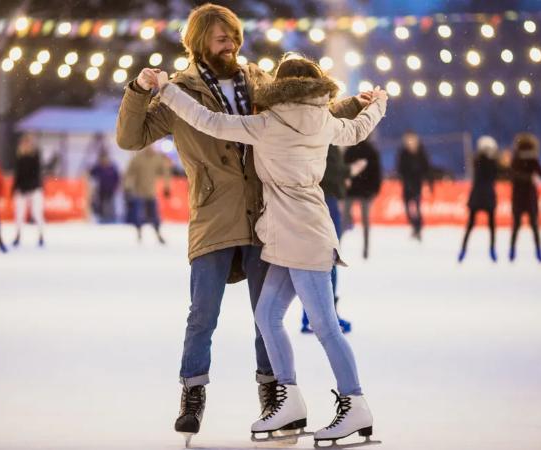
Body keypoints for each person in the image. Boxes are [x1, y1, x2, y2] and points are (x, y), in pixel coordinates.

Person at [115, 4, 369, 443]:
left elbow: (305, 112)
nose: (231, 44)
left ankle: (275, 396)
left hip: (263, 218)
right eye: (221, 38)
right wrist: (139, 90)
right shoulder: (180, 91)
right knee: (202, 316)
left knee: (264, 316)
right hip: (213, 215)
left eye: (234, 36)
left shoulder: (259, 82)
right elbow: (130, 138)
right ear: (198, 43)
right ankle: (193, 394)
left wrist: (350, 105)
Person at [301, 145, 357, 334]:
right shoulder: (327, 138)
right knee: (327, 258)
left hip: (320, 200)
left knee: (320, 259)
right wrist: (349, 171)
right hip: (324, 201)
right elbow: (328, 172)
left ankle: (316, 315)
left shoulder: (323, 136)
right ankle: (322, 316)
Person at [459, 136, 499, 262]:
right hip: (483, 196)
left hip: (480, 196)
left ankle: (490, 249)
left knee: (484, 225)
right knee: (480, 225)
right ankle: (465, 249)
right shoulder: (483, 161)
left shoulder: (480, 160)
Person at [123, 145, 172, 244]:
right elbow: (129, 173)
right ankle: (139, 233)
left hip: (151, 192)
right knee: (139, 215)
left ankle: (158, 233)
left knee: (154, 214)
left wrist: (167, 187)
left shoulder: (157, 158)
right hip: (139, 191)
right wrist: (127, 187)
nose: (150, 148)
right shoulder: (137, 159)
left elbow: (165, 171)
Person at [342, 140, 382, 259]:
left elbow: (376, 172)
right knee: (356, 221)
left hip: (359, 191)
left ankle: (340, 245)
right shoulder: (368, 151)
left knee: (347, 221)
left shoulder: (362, 150)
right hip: (360, 191)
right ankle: (362, 249)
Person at [509, 133, 541, 263]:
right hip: (530, 195)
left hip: (518, 195)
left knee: (516, 225)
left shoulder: (516, 159)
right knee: (534, 225)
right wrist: (530, 177)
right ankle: (538, 251)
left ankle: (512, 251)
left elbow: (511, 175)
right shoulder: (533, 159)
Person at [396, 131, 434, 240]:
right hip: (406, 184)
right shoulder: (403, 153)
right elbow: (400, 168)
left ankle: (418, 228)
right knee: (408, 208)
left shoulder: (421, 153)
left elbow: (427, 168)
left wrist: (429, 182)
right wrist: (402, 177)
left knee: (417, 207)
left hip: (417, 184)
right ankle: (415, 226)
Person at [12, 134, 45, 247]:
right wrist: (15, 188)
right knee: (19, 214)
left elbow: (36, 174)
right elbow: (18, 175)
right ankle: (17, 235)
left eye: (28, 143)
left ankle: (41, 235)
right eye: (24, 143)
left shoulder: (35, 157)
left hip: (34, 189)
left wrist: (29, 187)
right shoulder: (19, 158)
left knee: (37, 213)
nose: (26, 146)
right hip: (22, 190)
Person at [88, 152, 120, 224]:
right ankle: (102, 218)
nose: (104, 160)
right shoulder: (99, 167)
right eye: (102, 159)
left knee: (110, 204)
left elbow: (117, 178)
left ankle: (111, 218)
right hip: (101, 190)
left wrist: (117, 186)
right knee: (102, 205)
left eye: (105, 158)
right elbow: (91, 172)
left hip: (111, 190)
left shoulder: (112, 167)